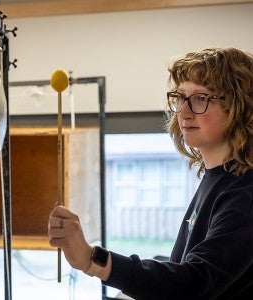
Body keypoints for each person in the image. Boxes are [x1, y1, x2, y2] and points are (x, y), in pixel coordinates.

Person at [48, 47, 253, 299]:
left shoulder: (245, 192)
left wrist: (93, 259)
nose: (184, 112)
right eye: (180, 97)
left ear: (239, 106)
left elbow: (194, 284)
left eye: (201, 98)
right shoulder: (217, 177)